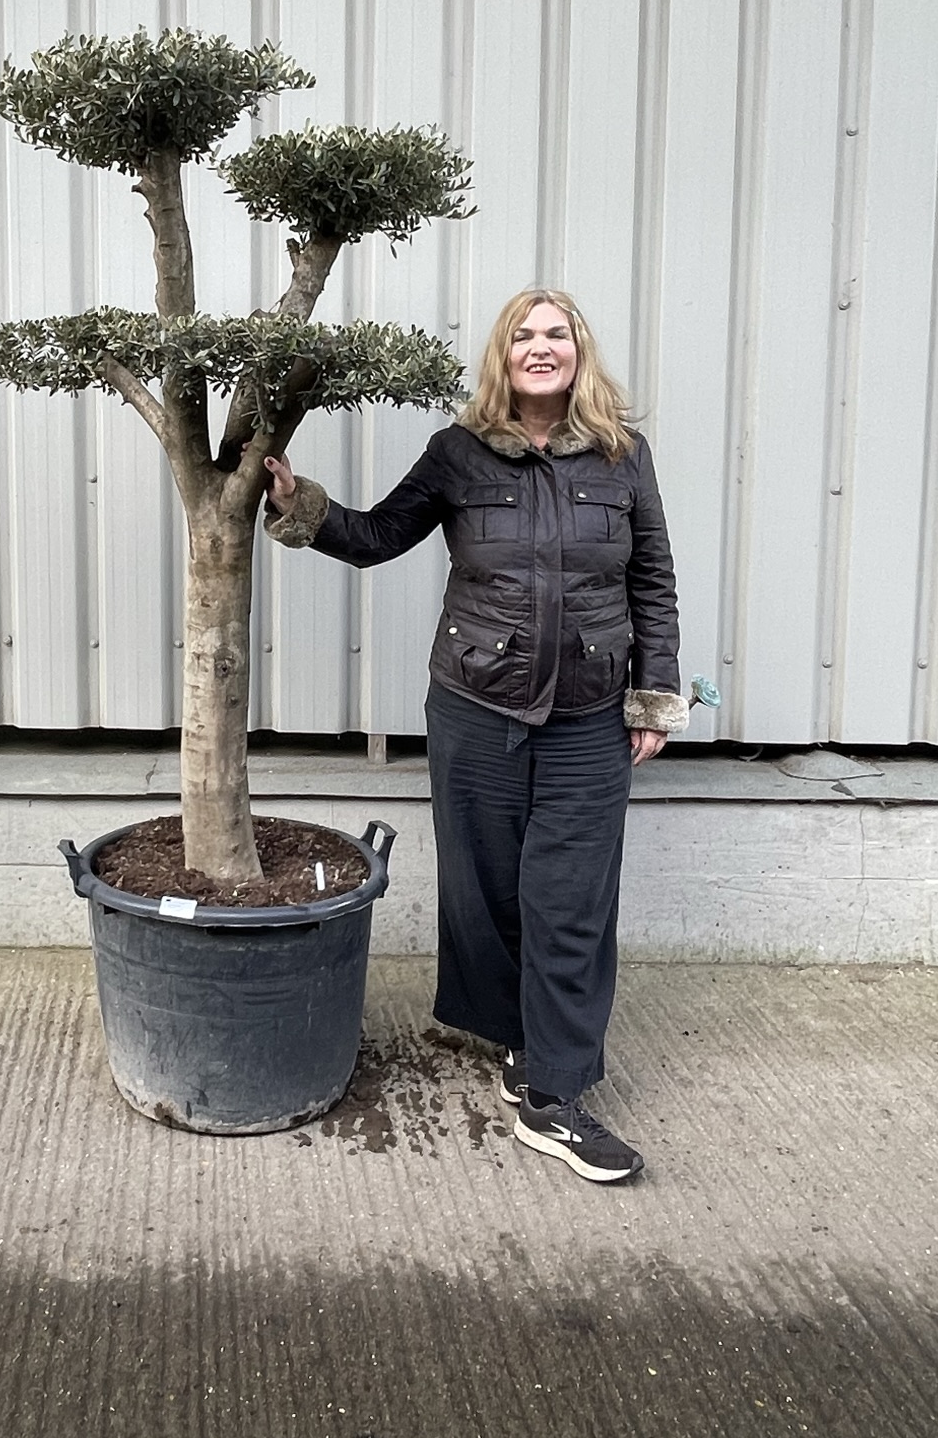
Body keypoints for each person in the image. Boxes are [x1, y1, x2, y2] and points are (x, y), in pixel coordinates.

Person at [263, 288, 687, 1185]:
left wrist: (653, 696)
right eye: (525, 335)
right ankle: (515, 1038)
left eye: (558, 333)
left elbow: (653, 579)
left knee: (569, 901)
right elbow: (377, 535)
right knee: (488, 891)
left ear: (580, 350)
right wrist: (300, 503)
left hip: (585, 719)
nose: (543, 347)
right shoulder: (457, 454)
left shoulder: (622, 457)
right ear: (503, 355)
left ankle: (555, 1091)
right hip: (475, 707)